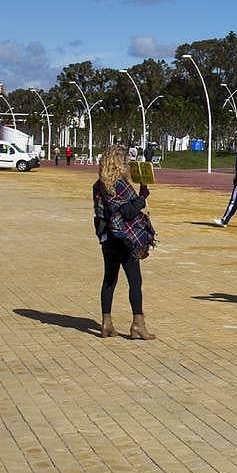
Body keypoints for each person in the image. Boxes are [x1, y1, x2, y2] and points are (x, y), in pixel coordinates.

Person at [92, 145, 157, 340]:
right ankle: (138, 324)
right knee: (135, 282)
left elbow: (104, 212)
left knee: (109, 280)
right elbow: (128, 211)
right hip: (124, 238)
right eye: (124, 161)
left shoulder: (98, 185)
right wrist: (143, 196)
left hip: (107, 238)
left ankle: (106, 323)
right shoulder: (120, 184)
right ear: (118, 163)